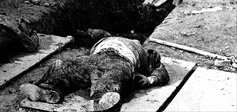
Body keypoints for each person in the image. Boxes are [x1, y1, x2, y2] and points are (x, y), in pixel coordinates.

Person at [20, 29, 170, 112]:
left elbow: (161, 70)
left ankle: (99, 102)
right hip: (94, 58)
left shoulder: (142, 51)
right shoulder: (104, 38)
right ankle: (48, 91)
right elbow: (89, 33)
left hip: (120, 61)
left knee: (112, 77)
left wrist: (150, 80)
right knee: (64, 66)